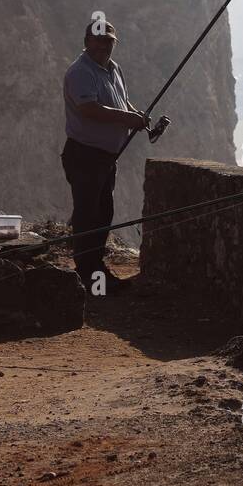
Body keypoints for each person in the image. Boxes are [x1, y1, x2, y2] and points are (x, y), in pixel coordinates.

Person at [61, 20, 148, 288]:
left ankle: (96, 270)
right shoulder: (79, 72)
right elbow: (89, 108)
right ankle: (88, 273)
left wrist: (137, 116)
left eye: (108, 41)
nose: (103, 46)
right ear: (87, 42)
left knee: (102, 213)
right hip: (85, 154)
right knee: (88, 213)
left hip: (106, 156)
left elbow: (121, 102)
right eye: (98, 41)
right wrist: (127, 118)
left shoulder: (114, 69)